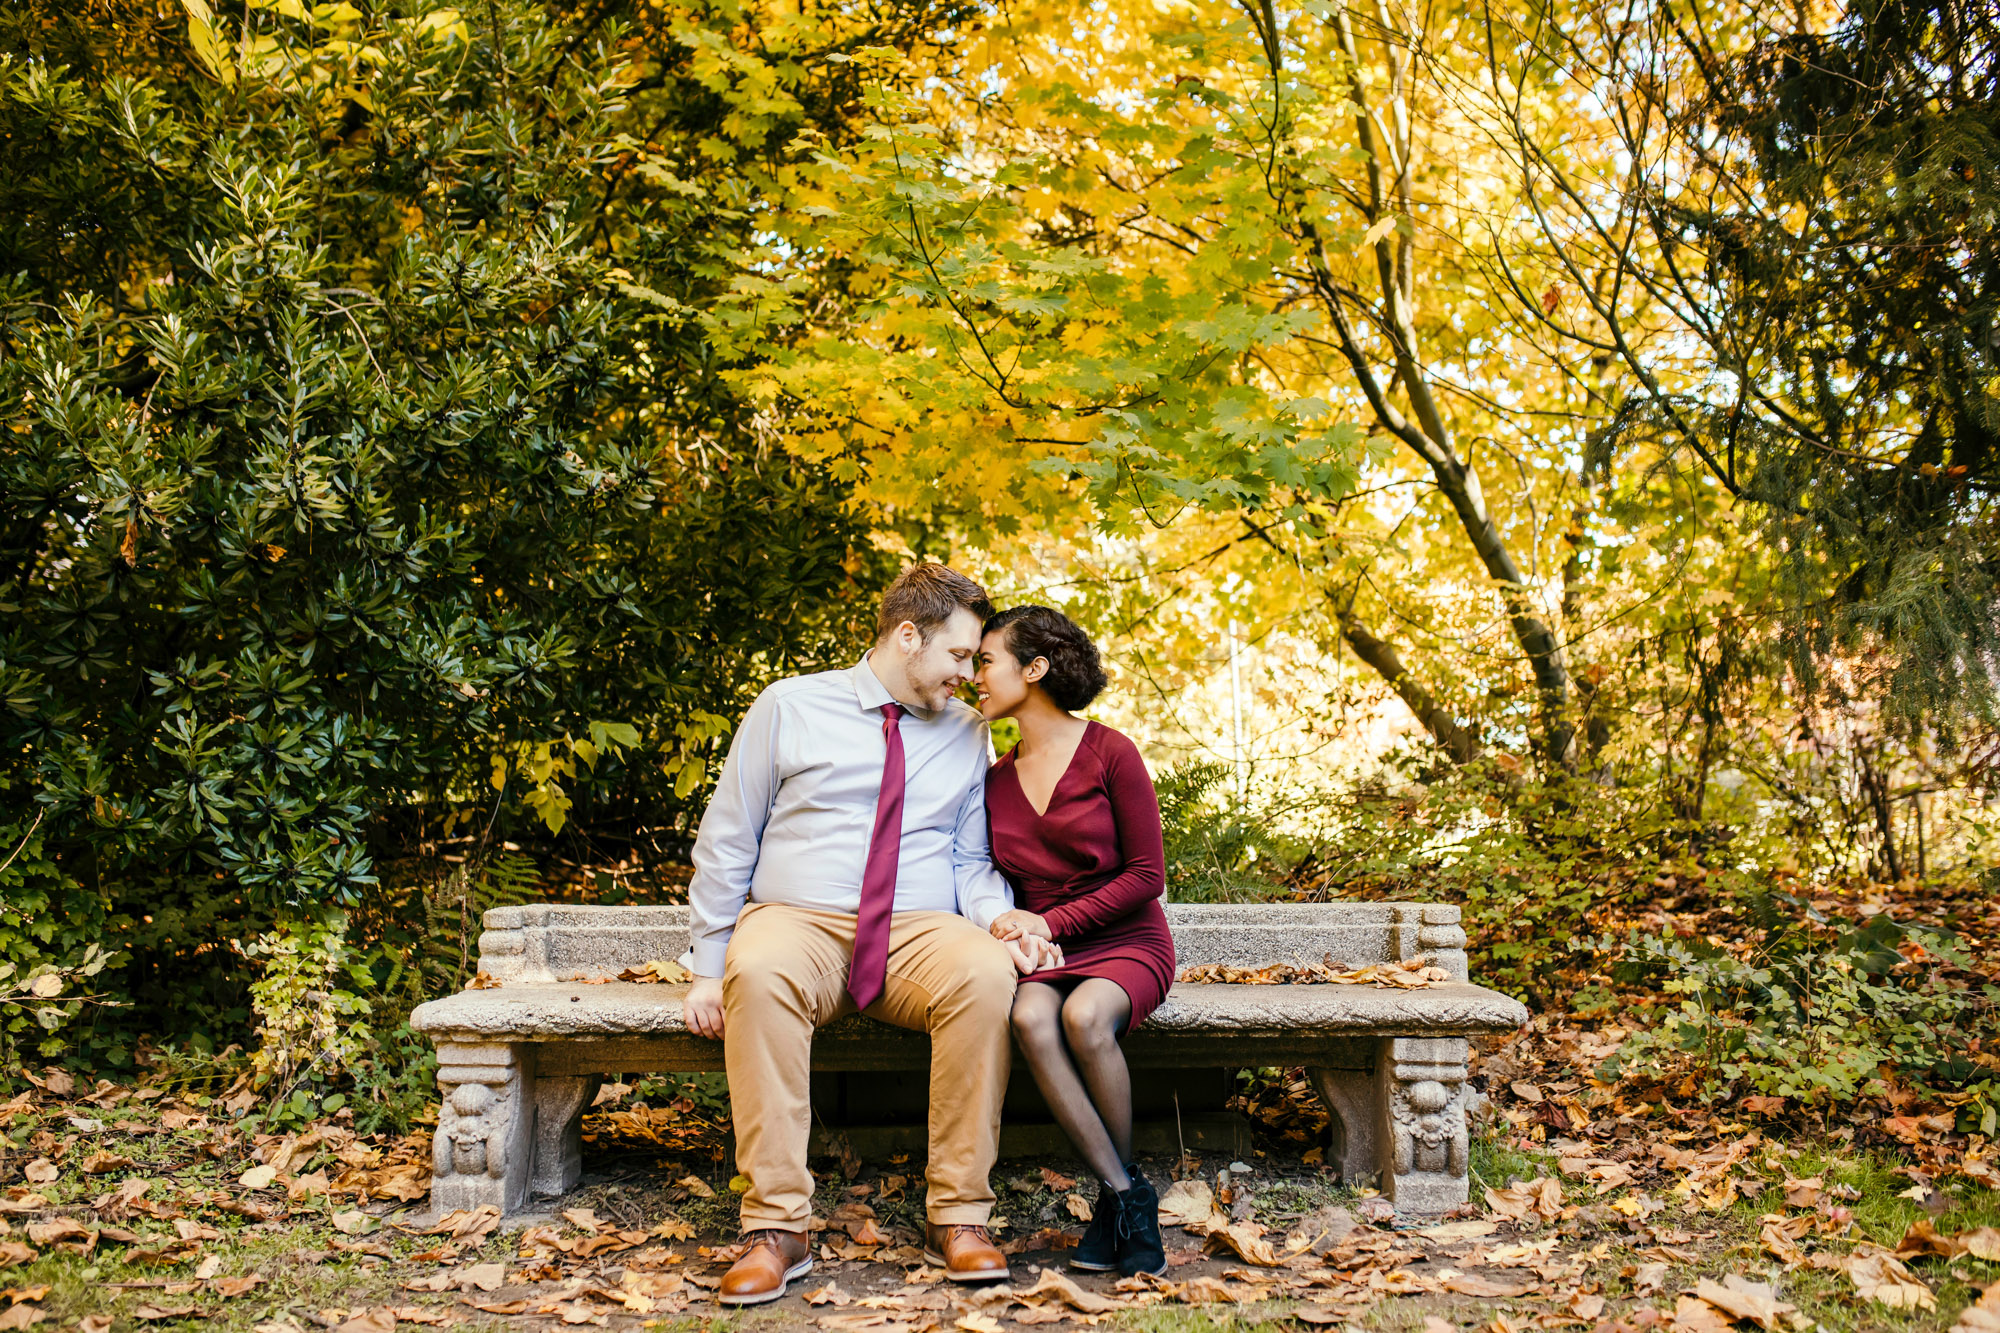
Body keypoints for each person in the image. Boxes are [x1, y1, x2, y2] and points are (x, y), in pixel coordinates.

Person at [680, 563, 1046, 1305]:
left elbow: (970, 858)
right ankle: (777, 1225)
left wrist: (997, 916)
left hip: (917, 927)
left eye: (974, 660)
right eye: (958, 655)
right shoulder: (789, 706)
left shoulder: (964, 731)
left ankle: (959, 1213)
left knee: (983, 973)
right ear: (908, 635)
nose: (966, 675)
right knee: (761, 972)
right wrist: (708, 965)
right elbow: (728, 838)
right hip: (799, 920)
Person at [972, 605, 1173, 1277]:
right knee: (1030, 1014)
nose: (975, 674)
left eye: (987, 660)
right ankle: (1125, 1196)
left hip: (1128, 939)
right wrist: (1014, 926)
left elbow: (1149, 874)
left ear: (1035, 669)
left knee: (1086, 1016)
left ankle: (1112, 1202)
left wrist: (1052, 923)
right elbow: (987, 881)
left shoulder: (1110, 750)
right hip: (1051, 955)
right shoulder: (993, 779)